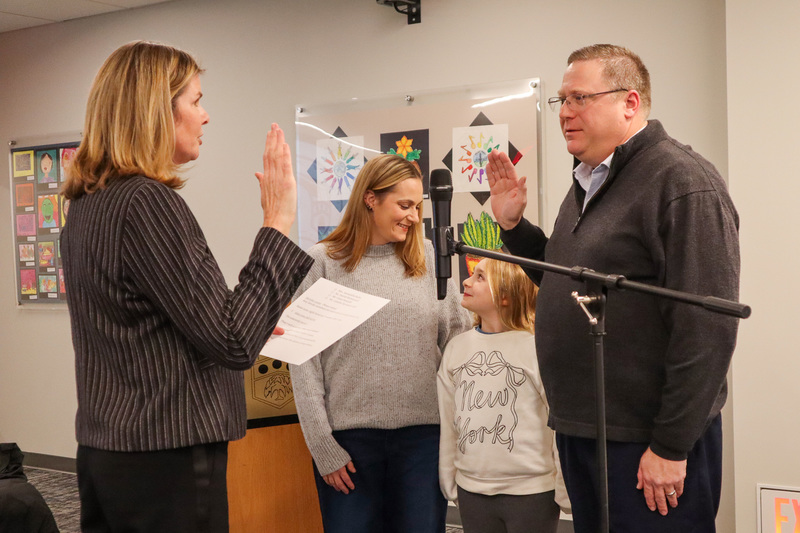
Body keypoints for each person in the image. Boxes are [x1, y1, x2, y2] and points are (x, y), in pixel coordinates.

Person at [60, 41, 313, 532]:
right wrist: (277, 220)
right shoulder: (147, 203)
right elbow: (233, 340)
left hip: (110, 451)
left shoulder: (91, 203)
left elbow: (167, 324)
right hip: (164, 460)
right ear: (157, 110)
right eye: (195, 101)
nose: (205, 116)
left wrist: (254, 314)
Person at [486, 44, 740, 533]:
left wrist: (670, 445)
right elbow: (572, 287)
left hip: (646, 442)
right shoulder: (588, 182)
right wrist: (516, 230)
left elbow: (707, 329)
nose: (564, 113)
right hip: (585, 430)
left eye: (579, 98)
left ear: (630, 102)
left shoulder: (682, 182)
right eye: (560, 101)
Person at [289, 153, 470, 533]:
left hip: (423, 442)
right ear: (370, 199)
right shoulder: (321, 263)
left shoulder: (428, 263)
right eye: (404, 205)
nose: (413, 216)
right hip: (349, 446)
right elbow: (303, 362)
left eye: (418, 206)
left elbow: (458, 344)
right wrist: (323, 447)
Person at [437, 257, 570, 533]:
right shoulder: (456, 349)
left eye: (480, 277)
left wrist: (564, 489)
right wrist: (449, 479)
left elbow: (560, 425)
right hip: (471, 491)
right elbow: (449, 422)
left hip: (532, 493)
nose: (466, 281)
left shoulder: (537, 348)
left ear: (507, 295)